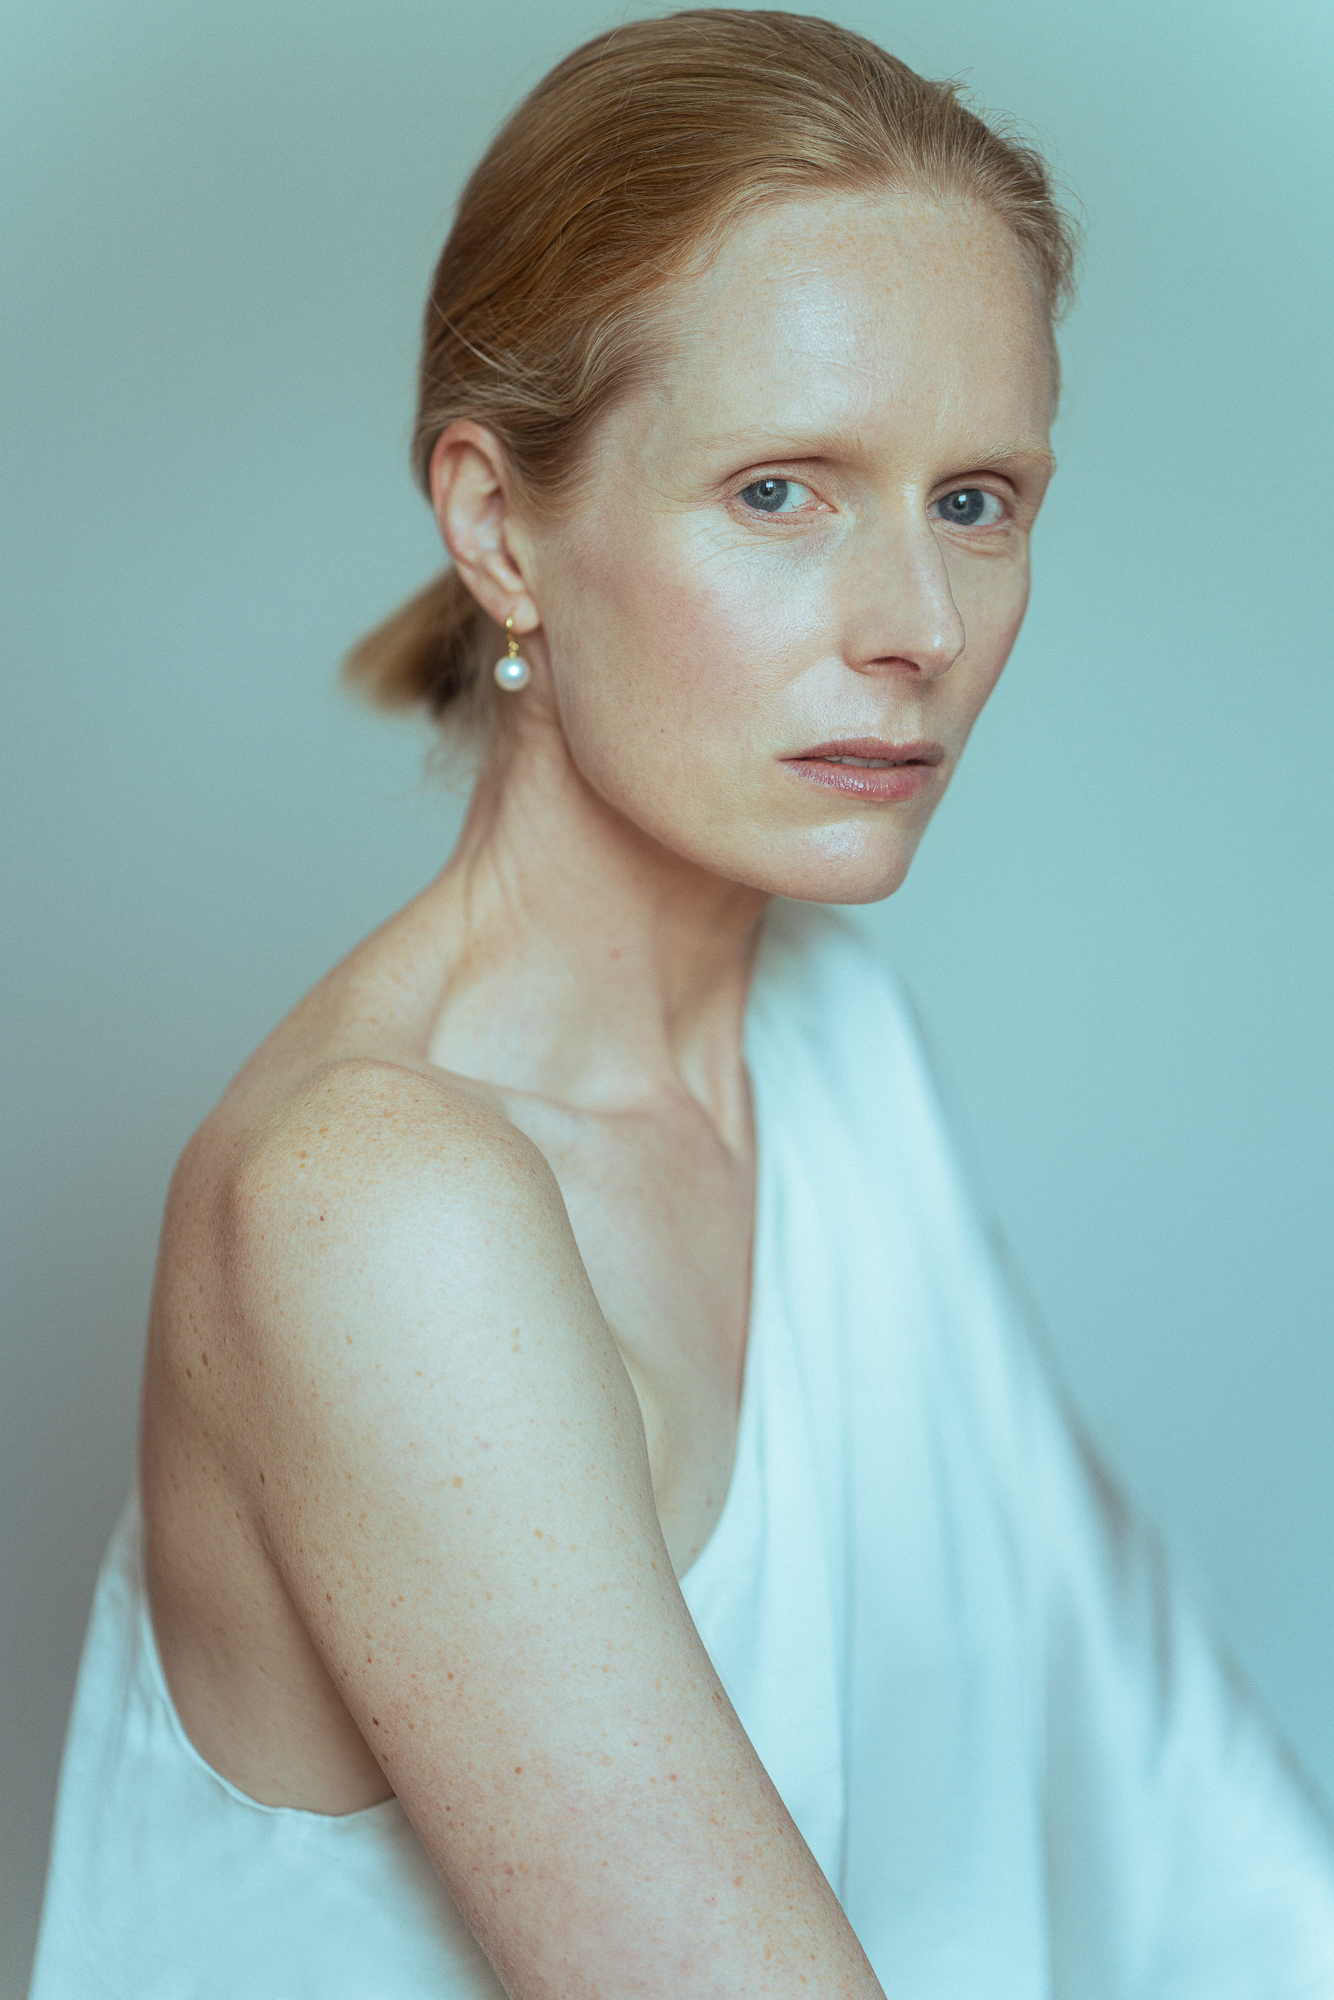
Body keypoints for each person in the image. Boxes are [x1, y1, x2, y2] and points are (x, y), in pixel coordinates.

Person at [29, 12, 1334, 1997]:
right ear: (495, 525)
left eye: (975, 498)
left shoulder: (834, 1042)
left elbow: (1162, 1790)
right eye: (781, 491)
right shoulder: (372, 1205)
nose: (913, 626)